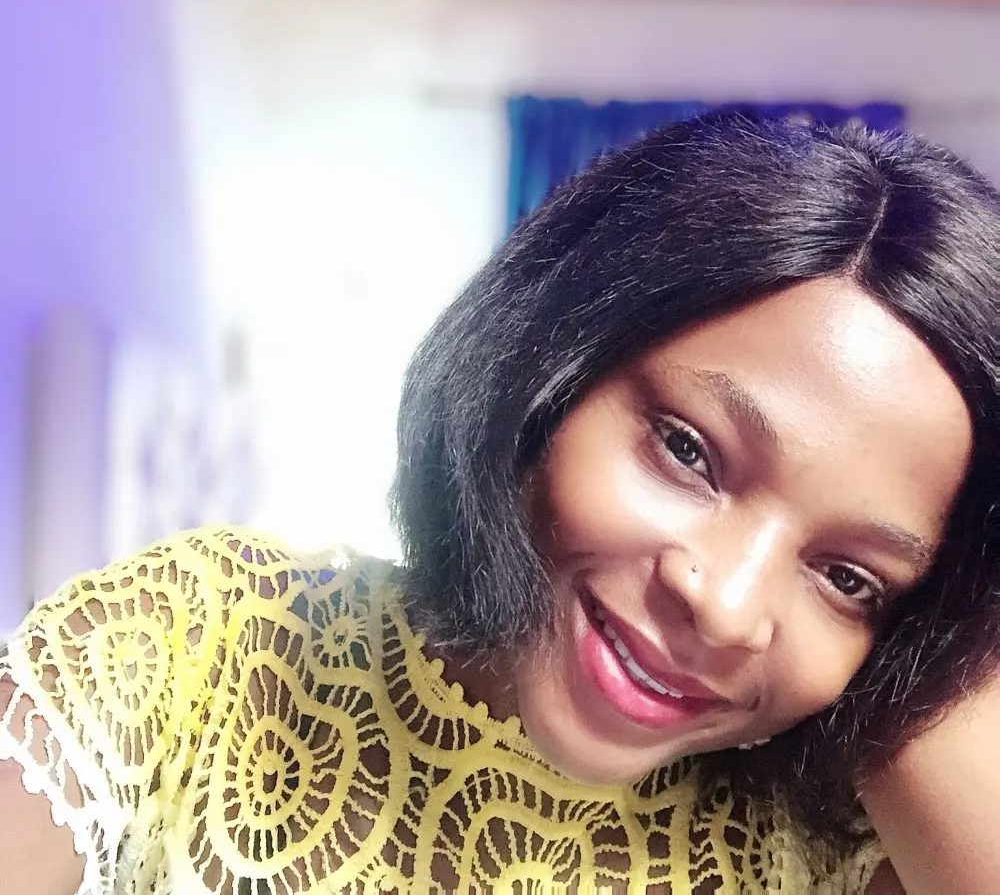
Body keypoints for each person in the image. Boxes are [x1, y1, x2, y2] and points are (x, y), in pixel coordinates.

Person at [0, 112, 997, 894]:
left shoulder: (838, 856)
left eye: (849, 578)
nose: (726, 605)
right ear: (547, 372)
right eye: (688, 451)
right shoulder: (201, 646)